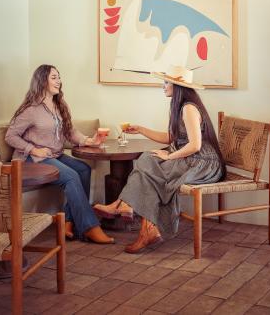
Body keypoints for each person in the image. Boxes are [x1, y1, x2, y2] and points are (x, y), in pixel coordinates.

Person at [93, 65, 226, 253]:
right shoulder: (179, 106)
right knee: (148, 159)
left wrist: (170, 155)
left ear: (177, 86)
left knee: (153, 171)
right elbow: (171, 138)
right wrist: (140, 129)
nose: (163, 86)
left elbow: (195, 145)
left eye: (166, 83)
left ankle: (128, 210)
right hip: (193, 159)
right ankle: (137, 218)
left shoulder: (188, 108)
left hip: (204, 163)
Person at [6, 64, 114, 244]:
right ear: (42, 81)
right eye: (54, 77)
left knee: (83, 170)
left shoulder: (59, 104)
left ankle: (68, 222)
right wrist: (33, 149)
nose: (59, 81)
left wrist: (89, 141)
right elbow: (11, 135)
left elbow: (69, 131)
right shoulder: (30, 109)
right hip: (32, 160)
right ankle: (89, 227)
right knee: (71, 176)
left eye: (59, 77)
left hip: (53, 155)